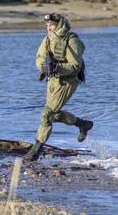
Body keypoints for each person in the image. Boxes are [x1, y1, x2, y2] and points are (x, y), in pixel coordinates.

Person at [25, 13, 93, 161]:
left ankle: (36, 150)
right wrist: (43, 66)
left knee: (46, 114)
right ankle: (83, 124)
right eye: (47, 26)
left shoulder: (72, 41)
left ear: (60, 25)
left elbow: (75, 66)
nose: (49, 28)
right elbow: (39, 57)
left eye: (52, 25)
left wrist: (56, 67)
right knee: (55, 115)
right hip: (52, 80)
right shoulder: (47, 39)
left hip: (68, 82)